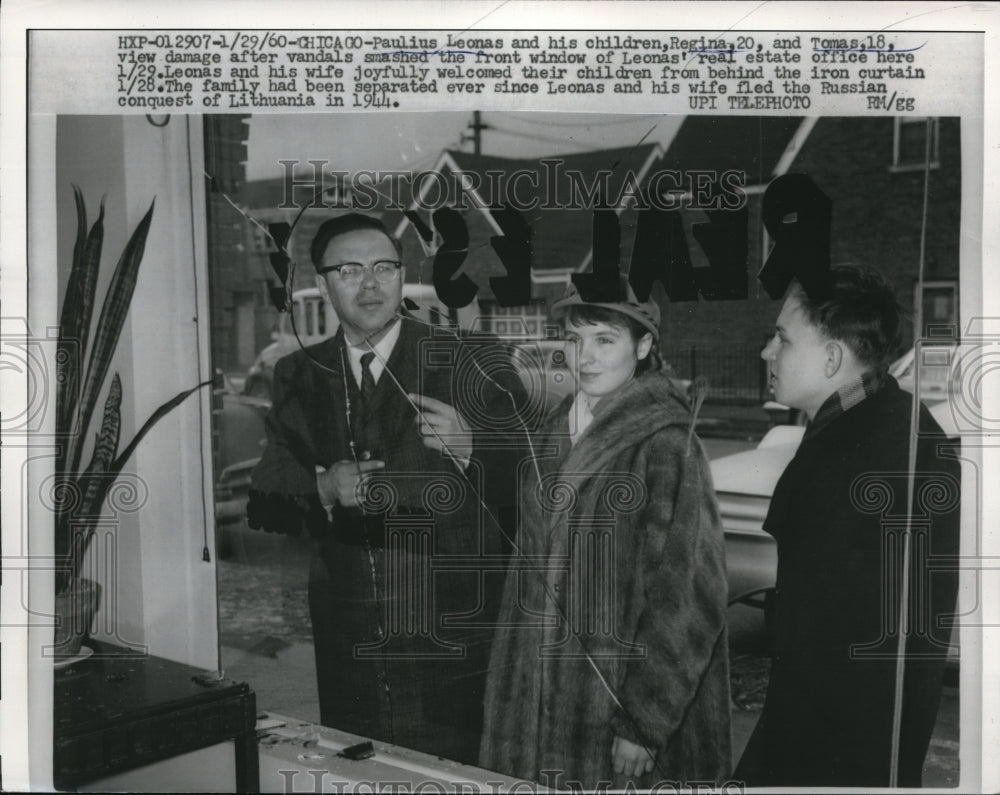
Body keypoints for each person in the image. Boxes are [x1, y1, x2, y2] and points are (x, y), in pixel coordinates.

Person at [247, 213, 526, 765]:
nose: (370, 284)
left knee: (458, 773)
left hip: (453, 632)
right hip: (348, 631)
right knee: (361, 770)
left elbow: (535, 480)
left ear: (402, 276)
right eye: (349, 270)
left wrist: (471, 446)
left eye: (384, 268)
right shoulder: (298, 374)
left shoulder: (472, 359)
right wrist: (324, 485)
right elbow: (267, 499)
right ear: (324, 284)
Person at [479, 282, 732, 790]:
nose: (586, 358)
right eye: (575, 339)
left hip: (615, 708)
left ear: (643, 347)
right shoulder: (559, 426)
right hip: (535, 700)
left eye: (605, 339)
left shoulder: (666, 443)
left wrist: (645, 719)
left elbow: (688, 597)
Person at [735, 266, 961, 787]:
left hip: (834, 747)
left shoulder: (862, 453)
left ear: (833, 357)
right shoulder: (890, 423)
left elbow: (827, 646)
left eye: (783, 339)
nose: (768, 352)